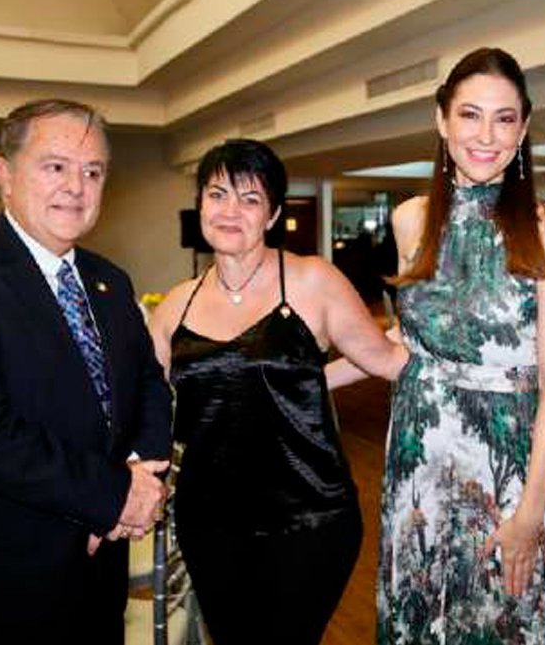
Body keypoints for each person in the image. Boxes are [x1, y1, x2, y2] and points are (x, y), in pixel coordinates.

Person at [0, 99, 173, 645]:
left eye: (93, 172)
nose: (76, 187)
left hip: (98, 577)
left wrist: (139, 475)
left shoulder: (110, 281)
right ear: (3, 174)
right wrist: (114, 495)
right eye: (55, 166)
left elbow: (148, 384)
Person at [148, 138, 407, 645]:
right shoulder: (176, 305)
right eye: (217, 194)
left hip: (308, 519)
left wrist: (443, 340)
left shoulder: (312, 281)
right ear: (200, 205)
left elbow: (385, 359)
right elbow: (149, 405)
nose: (230, 211)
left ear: (271, 215)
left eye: (250, 199)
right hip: (209, 522)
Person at [370, 47, 545, 644]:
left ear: (524, 127)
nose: (486, 135)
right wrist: (305, 373)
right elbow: (413, 342)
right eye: (470, 114)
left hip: (508, 474)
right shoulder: (410, 220)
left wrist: (531, 512)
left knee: (505, 624)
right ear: (441, 120)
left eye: (504, 118)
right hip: (419, 467)